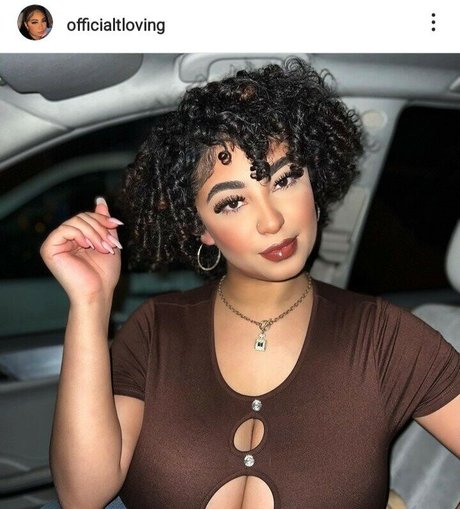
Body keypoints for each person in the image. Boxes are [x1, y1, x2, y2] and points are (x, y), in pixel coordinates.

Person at [40, 59, 460, 509]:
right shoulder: (156, 330)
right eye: (232, 202)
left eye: (286, 179)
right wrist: (90, 303)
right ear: (201, 228)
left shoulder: (385, 338)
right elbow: (83, 496)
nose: (272, 220)